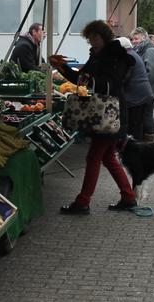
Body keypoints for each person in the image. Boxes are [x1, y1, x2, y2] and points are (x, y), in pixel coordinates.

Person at [50, 20, 137, 214]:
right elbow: (79, 78)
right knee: (107, 158)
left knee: (94, 157)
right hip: (101, 114)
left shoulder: (117, 56)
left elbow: (112, 84)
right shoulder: (96, 56)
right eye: (89, 38)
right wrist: (62, 66)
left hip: (111, 114)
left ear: (104, 37)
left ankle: (83, 202)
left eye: (94, 37)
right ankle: (128, 197)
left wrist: (91, 80)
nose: (92, 41)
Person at [132, 27, 154, 142]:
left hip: (150, 91)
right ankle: (146, 141)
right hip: (147, 90)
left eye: (136, 39)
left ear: (144, 38)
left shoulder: (149, 50)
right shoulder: (141, 49)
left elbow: (152, 72)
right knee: (145, 116)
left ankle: (149, 142)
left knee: (147, 116)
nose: (134, 41)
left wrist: (141, 86)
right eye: (133, 39)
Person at [118, 36, 154, 142]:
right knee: (143, 125)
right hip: (145, 95)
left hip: (137, 98)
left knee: (135, 128)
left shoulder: (127, 57)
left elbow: (123, 78)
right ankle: (147, 147)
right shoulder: (133, 54)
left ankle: (138, 151)